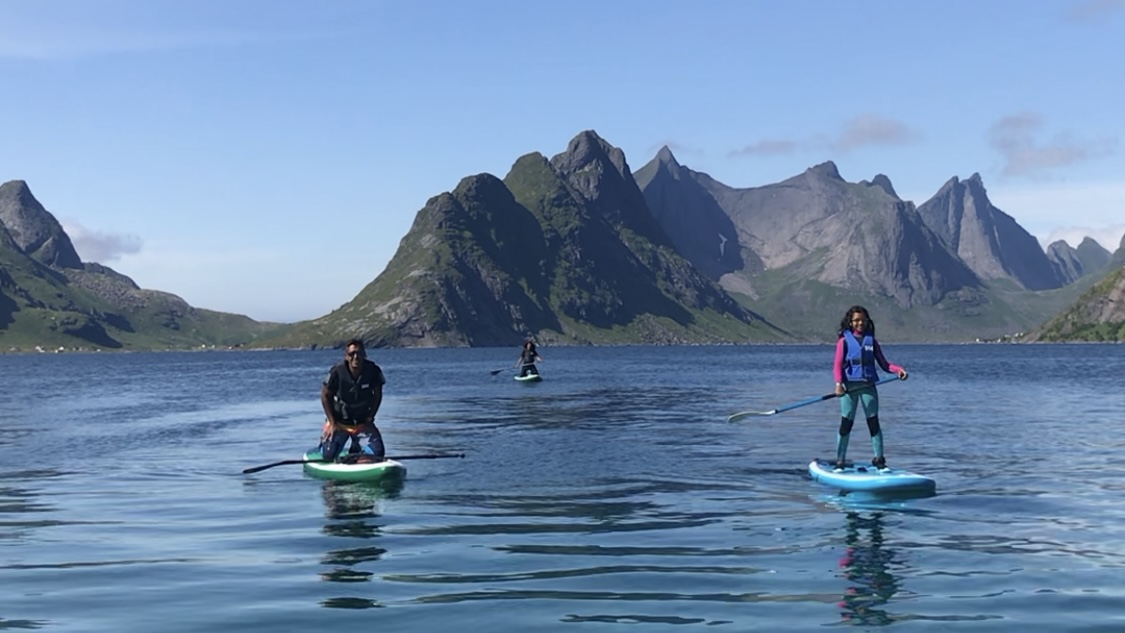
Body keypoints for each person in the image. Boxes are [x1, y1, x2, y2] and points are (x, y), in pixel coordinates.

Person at [832, 306, 907, 472]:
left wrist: (898, 370)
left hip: (868, 387)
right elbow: (837, 366)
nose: (860, 323)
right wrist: (838, 384)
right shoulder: (843, 341)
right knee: (846, 424)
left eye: (863, 320)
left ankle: (879, 461)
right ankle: (840, 461)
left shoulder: (871, 341)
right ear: (850, 322)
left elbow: (885, 364)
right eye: (856, 320)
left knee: (873, 423)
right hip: (849, 388)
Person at [318, 338, 386, 462]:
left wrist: (370, 418)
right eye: (352, 354)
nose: (356, 357)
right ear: (346, 356)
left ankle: (356, 448)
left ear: (364, 355)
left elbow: (378, 395)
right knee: (328, 455)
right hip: (339, 424)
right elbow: (324, 396)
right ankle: (326, 444)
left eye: (359, 354)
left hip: (362, 425)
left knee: (378, 453)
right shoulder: (336, 372)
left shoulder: (373, 371)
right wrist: (332, 423)